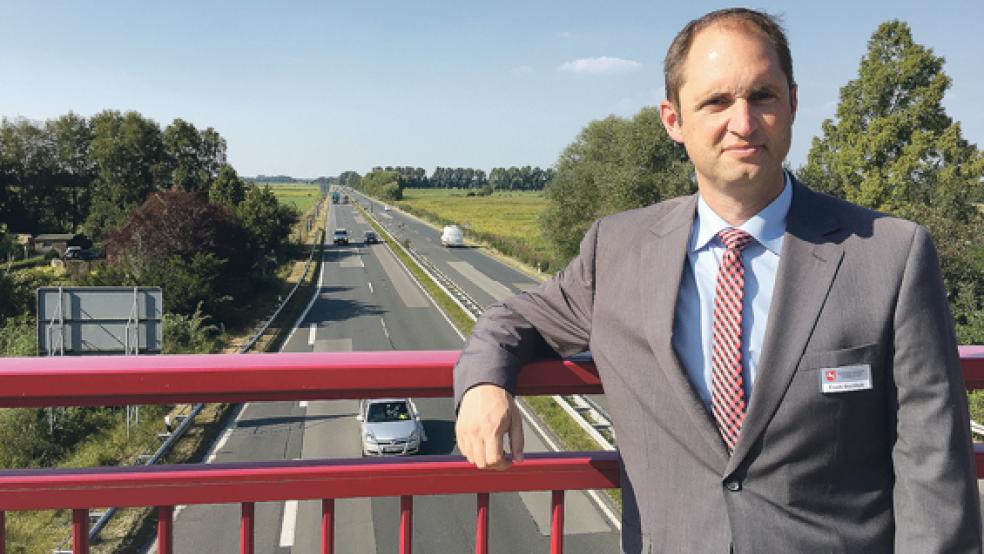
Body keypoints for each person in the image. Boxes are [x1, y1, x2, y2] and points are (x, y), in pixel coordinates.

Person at [453, 7, 981, 553]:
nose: (744, 123)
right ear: (673, 120)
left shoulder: (890, 255)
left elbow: (934, 465)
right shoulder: (617, 250)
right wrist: (485, 385)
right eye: (716, 101)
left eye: (763, 96)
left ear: (793, 102)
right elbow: (512, 317)